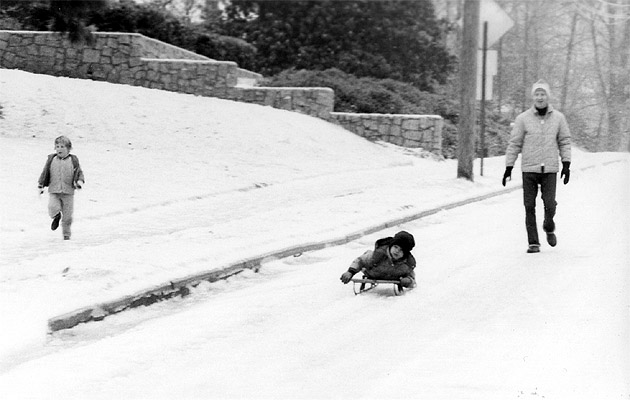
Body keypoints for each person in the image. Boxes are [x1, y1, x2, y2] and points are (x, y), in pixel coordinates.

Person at [502, 79, 572, 253]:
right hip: (529, 169)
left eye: (543, 94)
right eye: (537, 94)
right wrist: (509, 167)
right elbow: (514, 143)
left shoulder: (558, 118)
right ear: (533, 97)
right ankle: (533, 242)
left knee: (550, 204)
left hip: (549, 169)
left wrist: (566, 163)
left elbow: (564, 141)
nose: (540, 97)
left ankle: (549, 226)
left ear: (548, 97)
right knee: (529, 206)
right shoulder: (523, 119)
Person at [38, 136, 85, 240]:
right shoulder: (51, 159)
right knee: (52, 207)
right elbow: (45, 172)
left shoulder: (73, 160)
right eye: (57, 146)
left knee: (68, 216)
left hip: (68, 192)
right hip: (54, 190)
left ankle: (66, 235)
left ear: (68, 148)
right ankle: (56, 216)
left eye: (62, 146)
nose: (59, 149)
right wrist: (41, 184)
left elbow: (79, 173)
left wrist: (79, 182)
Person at [340, 230, 416, 288]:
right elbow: (360, 261)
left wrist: (408, 281)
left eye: (401, 250)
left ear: (405, 254)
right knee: (367, 256)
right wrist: (350, 272)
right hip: (372, 272)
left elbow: (412, 279)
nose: (397, 251)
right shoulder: (378, 255)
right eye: (395, 247)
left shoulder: (406, 265)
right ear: (391, 246)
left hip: (391, 276)